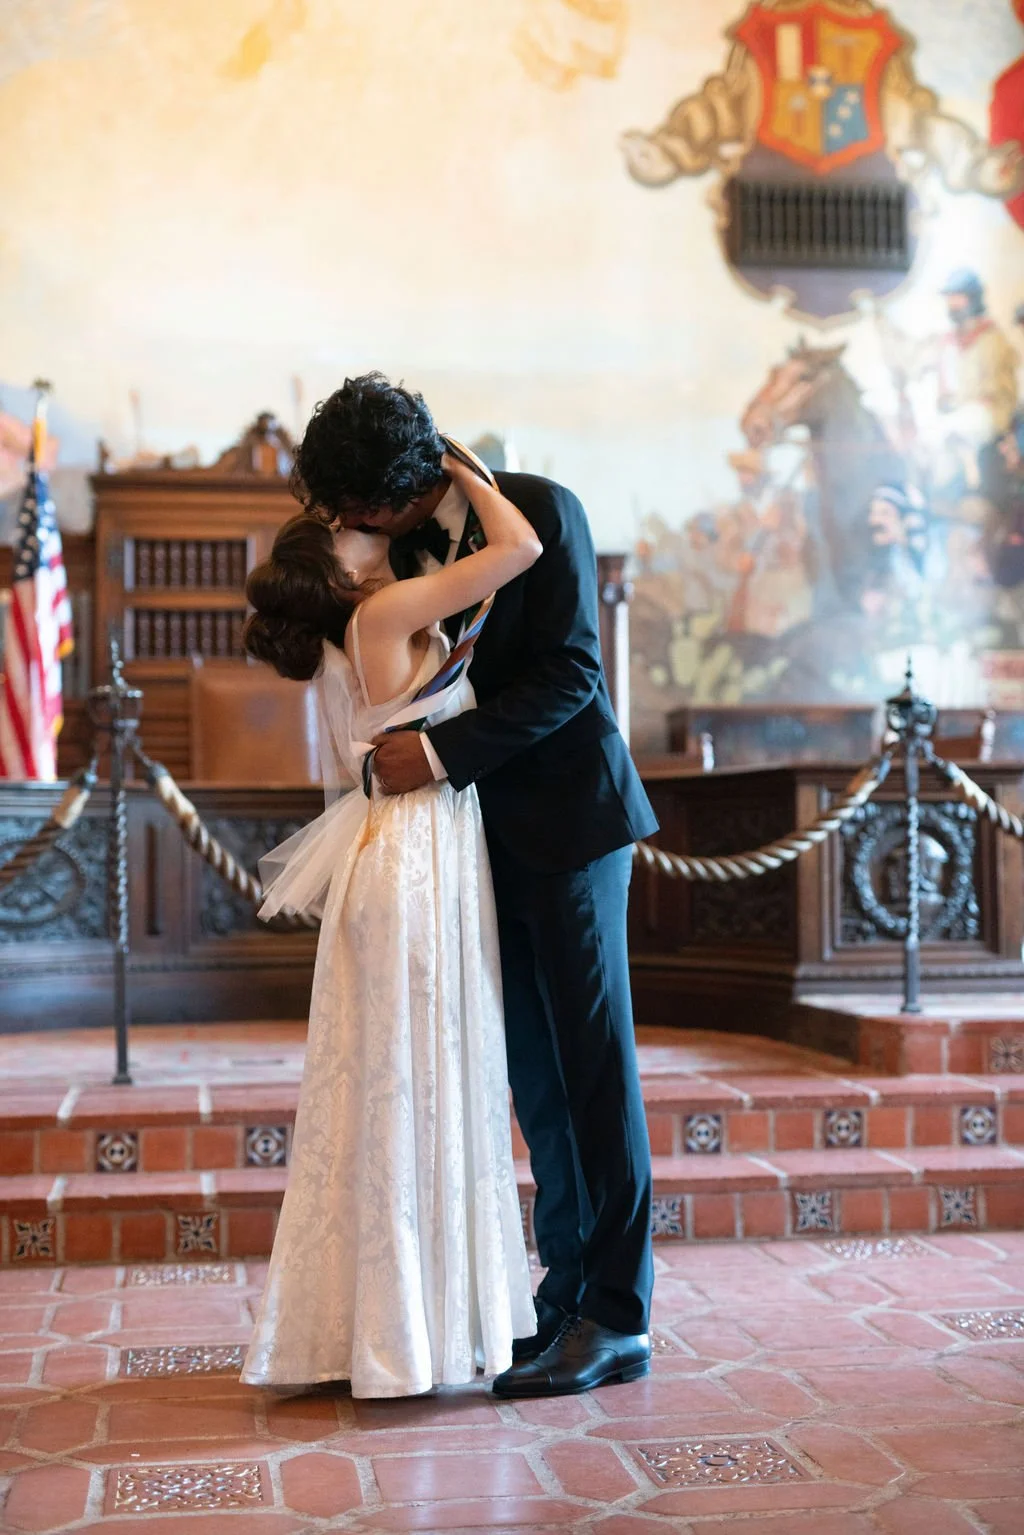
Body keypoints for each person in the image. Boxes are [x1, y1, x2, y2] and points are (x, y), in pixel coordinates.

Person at [293, 374, 658, 1400]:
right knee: (536, 1081)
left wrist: (439, 754)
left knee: (594, 1072)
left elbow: (573, 676)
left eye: (354, 504)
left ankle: (618, 1315)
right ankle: (563, 1292)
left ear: (396, 490)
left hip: (574, 826)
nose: (347, 522)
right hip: (473, 842)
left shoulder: (540, 509)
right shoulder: (405, 549)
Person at [239, 450, 540, 1397]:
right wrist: (465, 465)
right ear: (337, 571)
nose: (358, 519)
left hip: (411, 846)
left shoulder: (373, 611)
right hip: (414, 854)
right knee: (421, 1076)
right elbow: (519, 546)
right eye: (341, 525)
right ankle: (407, 1335)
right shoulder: (379, 614)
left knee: (407, 1079)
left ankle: (400, 1326)